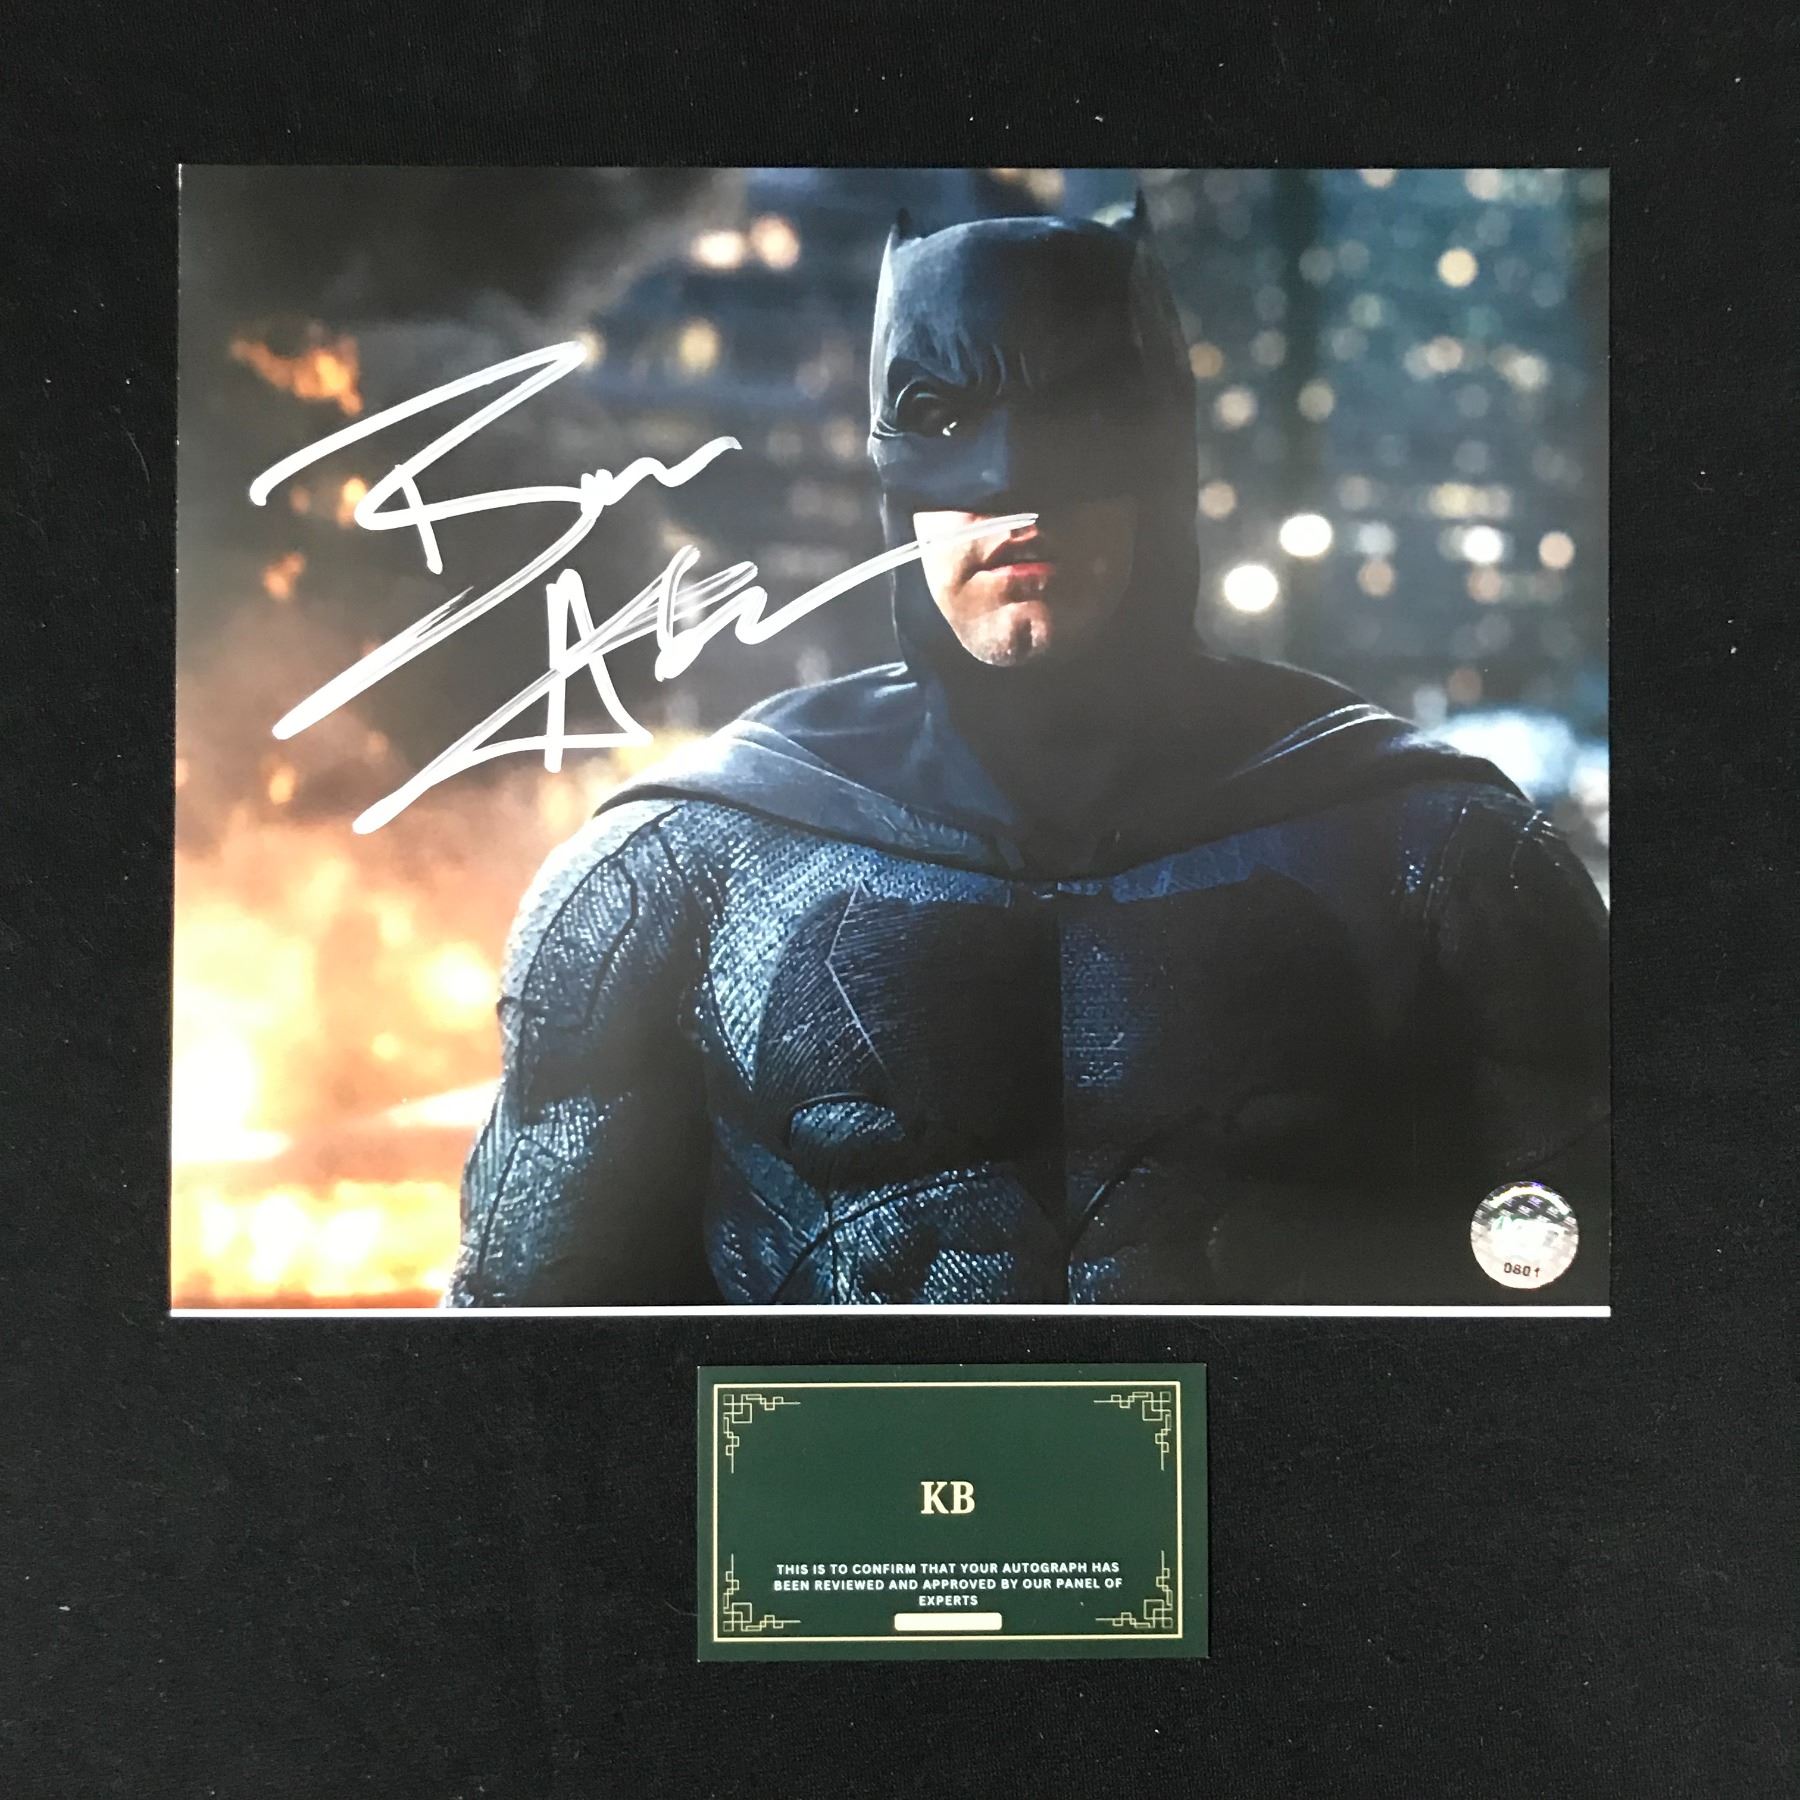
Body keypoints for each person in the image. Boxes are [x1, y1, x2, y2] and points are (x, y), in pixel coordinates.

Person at [446, 197, 1609, 1308]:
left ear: (1162, 470)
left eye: (1084, 411)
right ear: (893, 482)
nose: (1014, 488)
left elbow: (1593, 1308)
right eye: (945, 420)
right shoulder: (678, 871)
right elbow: (527, 1351)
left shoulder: (1439, 855)